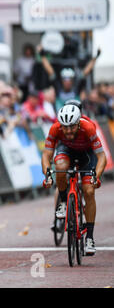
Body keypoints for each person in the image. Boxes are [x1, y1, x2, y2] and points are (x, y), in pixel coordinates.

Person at [42, 105, 107, 255]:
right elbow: (46, 155)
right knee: (59, 166)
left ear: (78, 123)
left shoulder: (88, 128)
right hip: (66, 150)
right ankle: (64, 203)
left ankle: (89, 237)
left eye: (72, 127)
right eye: (65, 127)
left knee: (89, 191)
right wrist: (47, 175)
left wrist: (96, 176)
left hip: (87, 154)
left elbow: (101, 156)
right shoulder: (55, 129)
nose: (68, 131)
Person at [38, 44, 101, 111]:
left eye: (69, 79)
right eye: (65, 79)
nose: (67, 81)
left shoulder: (76, 88)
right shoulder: (58, 88)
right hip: (60, 119)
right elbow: (50, 71)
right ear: (62, 80)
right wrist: (42, 55)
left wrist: (96, 57)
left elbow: (86, 72)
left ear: (72, 80)